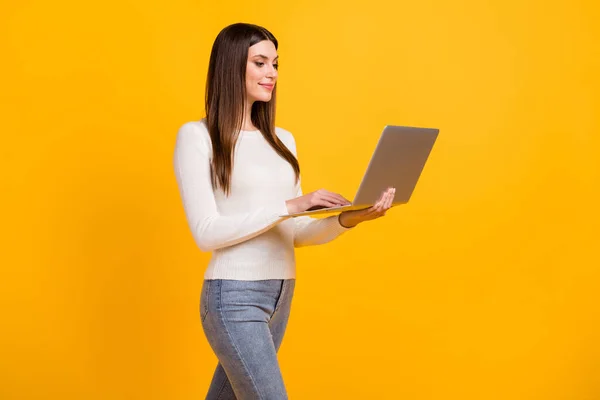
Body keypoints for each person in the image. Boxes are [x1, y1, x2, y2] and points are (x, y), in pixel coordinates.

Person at [173, 22, 396, 400]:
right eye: (260, 63)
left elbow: (295, 232)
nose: (272, 74)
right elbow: (206, 232)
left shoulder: (282, 141)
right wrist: (289, 206)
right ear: (230, 66)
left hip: (280, 295)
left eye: (275, 64)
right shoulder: (197, 136)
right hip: (233, 298)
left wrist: (350, 218)